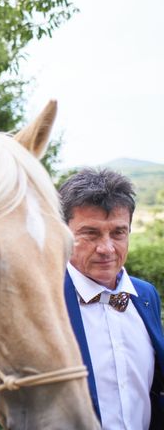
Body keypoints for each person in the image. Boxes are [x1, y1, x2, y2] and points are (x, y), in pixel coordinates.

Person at [60, 168, 164, 429]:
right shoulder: (41, 297)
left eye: (118, 233)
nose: (106, 248)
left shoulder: (146, 294)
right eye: (90, 233)